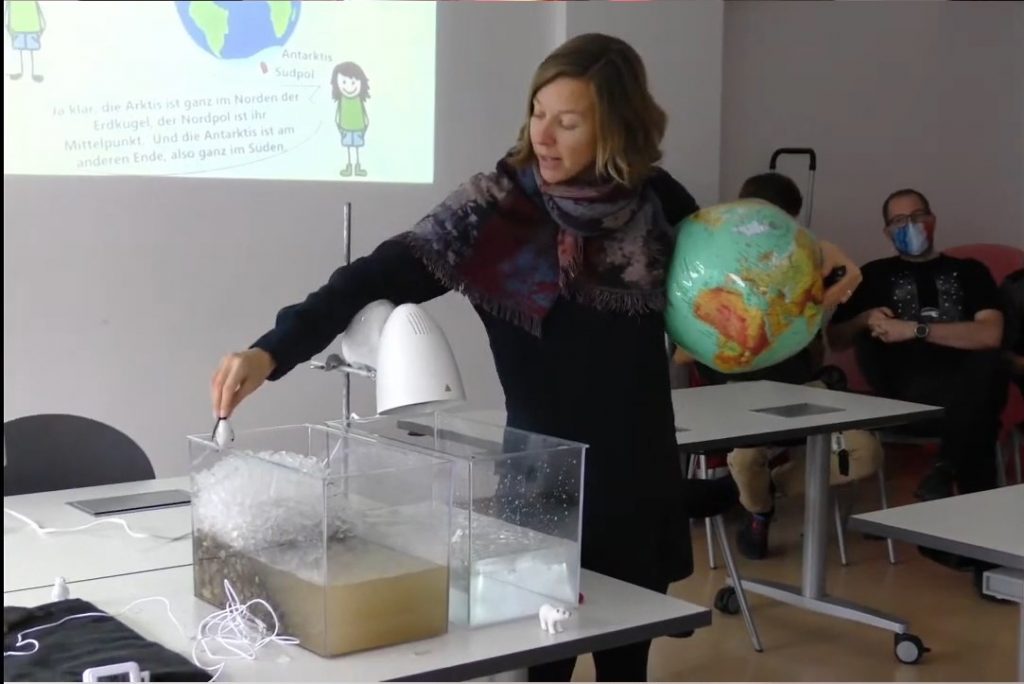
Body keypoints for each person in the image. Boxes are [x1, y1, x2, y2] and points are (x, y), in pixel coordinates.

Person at [212, 35, 860, 682]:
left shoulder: (654, 199)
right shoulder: (493, 211)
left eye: (568, 122)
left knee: (627, 665)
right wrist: (272, 350)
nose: (543, 136)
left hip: (639, 477)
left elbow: (734, 282)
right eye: (537, 112)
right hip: (543, 482)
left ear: (616, 128)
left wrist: (810, 269)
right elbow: (369, 278)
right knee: (543, 667)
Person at [678, 172, 880, 560]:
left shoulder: (804, 267)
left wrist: (812, 292)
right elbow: (682, 356)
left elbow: (849, 285)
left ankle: (766, 488)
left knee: (863, 454)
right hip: (737, 401)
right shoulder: (712, 267)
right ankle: (758, 510)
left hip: (801, 393)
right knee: (744, 459)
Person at [828, 188, 1008, 501]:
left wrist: (915, 329)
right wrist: (865, 319)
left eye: (917, 216)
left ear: (932, 220)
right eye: (899, 220)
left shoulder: (970, 271)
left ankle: (945, 470)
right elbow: (836, 340)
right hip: (905, 389)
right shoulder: (872, 275)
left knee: (987, 368)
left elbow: (990, 334)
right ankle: (959, 490)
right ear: (887, 231)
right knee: (981, 415)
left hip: (967, 385)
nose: (909, 225)